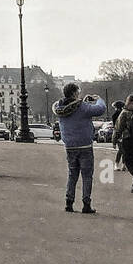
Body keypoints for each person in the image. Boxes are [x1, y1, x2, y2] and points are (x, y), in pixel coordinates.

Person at [52, 83, 107, 213]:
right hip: (85, 146)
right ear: (74, 93)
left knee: (72, 174)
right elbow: (100, 109)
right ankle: (86, 204)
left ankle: (69, 202)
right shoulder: (82, 107)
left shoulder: (59, 108)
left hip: (70, 146)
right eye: (78, 92)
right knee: (87, 176)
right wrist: (98, 99)